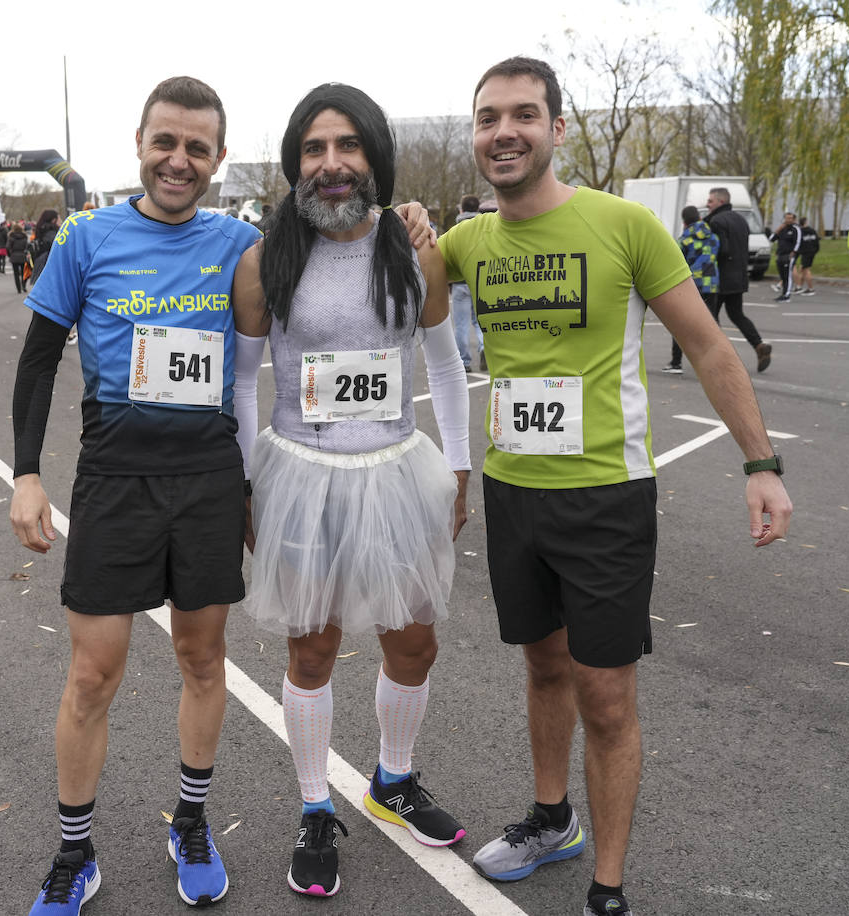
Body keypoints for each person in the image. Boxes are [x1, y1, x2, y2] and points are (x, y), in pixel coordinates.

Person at [436, 57, 792, 916]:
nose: (504, 131)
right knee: (544, 667)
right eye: (488, 118)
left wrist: (760, 463)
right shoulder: (464, 243)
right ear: (475, 137)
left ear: (558, 129)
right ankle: (551, 818)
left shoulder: (625, 225)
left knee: (605, 692)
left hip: (606, 497)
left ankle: (607, 888)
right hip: (512, 491)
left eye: (524, 114)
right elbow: (386, 307)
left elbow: (708, 346)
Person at [9, 75, 262, 916]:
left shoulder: (241, 243)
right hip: (115, 481)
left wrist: (405, 223)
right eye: (166, 142)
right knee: (93, 674)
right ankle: (74, 853)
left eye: (196, 147)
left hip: (206, 480)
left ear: (218, 158)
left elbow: (344, 249)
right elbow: (40, 357)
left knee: (201, 659)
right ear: (141, 143)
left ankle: (190, 822)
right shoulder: (86, 237)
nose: (179, 160)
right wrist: (26, 474)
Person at [230, 82, 471, 899]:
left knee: (415, 641)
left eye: (347, 147)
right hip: (303, 476)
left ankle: (392, 779)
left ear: (374, 154)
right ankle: (312, 807)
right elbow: (241, 382)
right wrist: (245, 483)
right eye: (313, 149)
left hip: (398, 471)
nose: (331, 165)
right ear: (296, 163)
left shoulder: (415, 248)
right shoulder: (268, 257)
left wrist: (461, 467)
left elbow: (443, 363)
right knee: (313, 649)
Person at [706, 187, 772, 372]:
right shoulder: (741, 220)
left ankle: (721, 358)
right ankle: (759, 345)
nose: (708, 204)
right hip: (739, 276)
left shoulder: (717, 221)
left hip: (720, 278)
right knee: (736, 314)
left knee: (711, 318)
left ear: (720, 201)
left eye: (710, 201)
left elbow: (723, 249)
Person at [663, 205, 721, 374]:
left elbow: (676, 263)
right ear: (699, 218)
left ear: (684, 222)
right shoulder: (713, 238)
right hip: (711, 284)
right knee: (712, 324)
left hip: (691, 286)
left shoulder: (684, 240)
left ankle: (676, 363)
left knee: (680, 323)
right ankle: (716, 363)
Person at [449, 194, 485, 371]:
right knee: (479, 321)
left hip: (459, 282)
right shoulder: (485, 227)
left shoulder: (456, 229)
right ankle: (484, 347)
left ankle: (465, 361)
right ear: (478, 208)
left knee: (461, 325)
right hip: (480, 282)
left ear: (461, 209)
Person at [769, 210, 798, 302]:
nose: (788, 220)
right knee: (782, 276)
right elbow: (771, 239)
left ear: (793, 219)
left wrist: (794, 252)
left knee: (787, 275)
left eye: (790, 218)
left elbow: (798, 242)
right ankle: (783, 293)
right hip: (780, 255)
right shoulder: (782, 229)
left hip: (789, 255)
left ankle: (787, 295)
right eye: (786, 218)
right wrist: (778, 229)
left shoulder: (795, 229)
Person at [794, 216, 818, 295]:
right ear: (806, 222)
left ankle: (811, 289)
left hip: (806, 252)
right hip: (812, 252)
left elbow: (798, 243)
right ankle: (799, 287)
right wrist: (815, 250)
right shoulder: (812, 231)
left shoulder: (800, 232)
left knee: (806, 270)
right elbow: (817, 241)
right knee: (802, 268)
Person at [7, 221, 30, 294]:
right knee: (24, 272)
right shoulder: (24, 236)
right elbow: (27, 247)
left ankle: (18, 288)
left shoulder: (11, 236)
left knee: (16, 273)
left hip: (14, 255)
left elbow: (8, 247)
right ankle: (23, 285)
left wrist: (10, 254)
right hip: (22, 255)